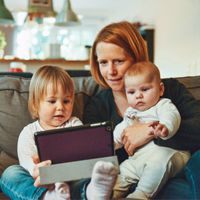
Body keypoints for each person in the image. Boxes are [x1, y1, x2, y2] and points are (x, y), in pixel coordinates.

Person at [82, 21, 200, 199]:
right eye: (103, 63)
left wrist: (150, 130)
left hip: (172, 173)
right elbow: (97, 157)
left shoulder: (169, 90)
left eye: (119, 61)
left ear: (137, 58)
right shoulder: (97, 107)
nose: (111, 71)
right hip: (127, 177)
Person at [0, 65, 118, 200]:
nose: (60, 107)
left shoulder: (74, 124)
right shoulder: (28, 133)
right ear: (35, 104)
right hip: (41, 183)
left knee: (91, 175)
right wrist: (43, 172)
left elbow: (83, 154)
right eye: (52, 101)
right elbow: (29, 167)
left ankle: (92, 193)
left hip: (71, 180)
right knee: (10, 174)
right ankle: (49, 196)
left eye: (66, 101)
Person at [112, 61, 190, 199]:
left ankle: (140, 195)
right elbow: (122, 129)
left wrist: (165, 127)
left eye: (145, 89)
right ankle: (110, 194)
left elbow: (171, 116)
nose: (138, 96)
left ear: (160, 89)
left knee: (158, 162)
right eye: (131, 92)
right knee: (123, 170)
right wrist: (111, 143)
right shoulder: (131, 112)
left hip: (170, 155)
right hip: (138, 160)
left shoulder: (162, 104)